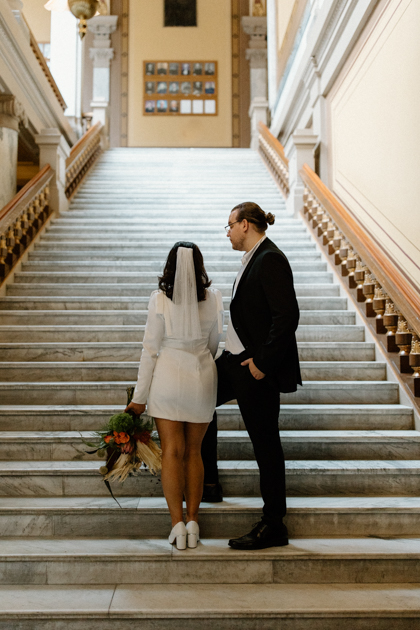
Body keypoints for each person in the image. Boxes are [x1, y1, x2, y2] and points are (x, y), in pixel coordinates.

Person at [201, 202, 301, 550]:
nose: (227, 232)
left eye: (229, 225)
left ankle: (274, 524)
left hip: (254, 368)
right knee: (198, 400)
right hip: (234, 361)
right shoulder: (253, 259)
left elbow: (287, 316)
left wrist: (263, 362)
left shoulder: (270, 259)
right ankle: (208, 482)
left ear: (245, 224)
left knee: (265, 444)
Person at [126, 243, 224, 551]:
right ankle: (194, 522)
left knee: (171, 452)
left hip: (167, 376)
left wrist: (139, 397)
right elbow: (214, 344)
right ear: (199, 266)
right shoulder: (214, 299)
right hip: (201, 376)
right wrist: (196, 361)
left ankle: (176, 525)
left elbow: (150, 350)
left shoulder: (159, 300)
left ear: (170, 266)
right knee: (194, 452)